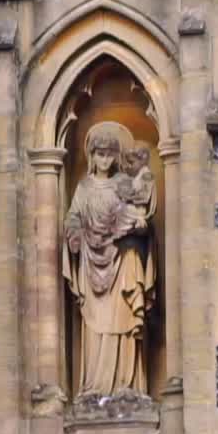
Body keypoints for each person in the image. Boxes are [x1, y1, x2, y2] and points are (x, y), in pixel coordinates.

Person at [62, 122, 156, 396]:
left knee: (124, 320)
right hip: (92, 264)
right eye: (99, 154)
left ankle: (125, 383)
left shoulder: (124, 184)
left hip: (123, 260)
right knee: (95, 326)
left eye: (109, 154)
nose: (104, 160)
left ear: (116, 156)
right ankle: (95, 385)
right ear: (91, 155)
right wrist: (75, 234)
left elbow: (142, 213)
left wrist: (139, 226)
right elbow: (73, 217)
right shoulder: (83, 188)